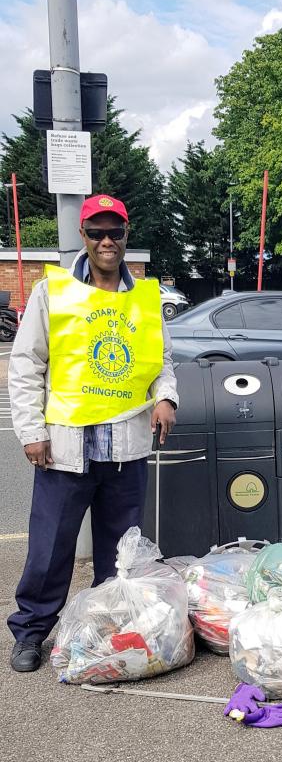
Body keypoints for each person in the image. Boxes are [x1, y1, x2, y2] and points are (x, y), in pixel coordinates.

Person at [7, 194, 178, 673]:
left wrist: (167, 397)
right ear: (83, 236)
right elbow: (26, 365)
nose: (107, 241)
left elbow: (160, 361)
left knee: (119, 555)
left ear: (126, 236)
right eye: (97, 232)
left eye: (115, 232)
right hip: (65, 448)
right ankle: (31, 631)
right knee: (49, 550)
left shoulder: (145, 297)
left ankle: (103, 631)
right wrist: (30, 431)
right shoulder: (52, 291)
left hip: (125, 449)